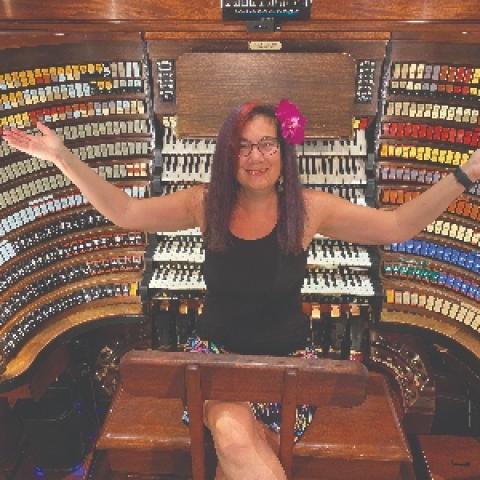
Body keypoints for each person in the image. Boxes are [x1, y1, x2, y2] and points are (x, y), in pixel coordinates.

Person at [2, 99, 479, 480]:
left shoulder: (311, 210)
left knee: (240, 454)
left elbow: (396, 224)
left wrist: (466, 174)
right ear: (228, 155)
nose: (256, 157)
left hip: (290, 369)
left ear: (283, 152)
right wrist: (62, 157)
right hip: (213, 363)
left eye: (268, 145)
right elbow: (124, 212)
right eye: (244, 147)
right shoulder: (203, 204)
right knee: (233, 431)